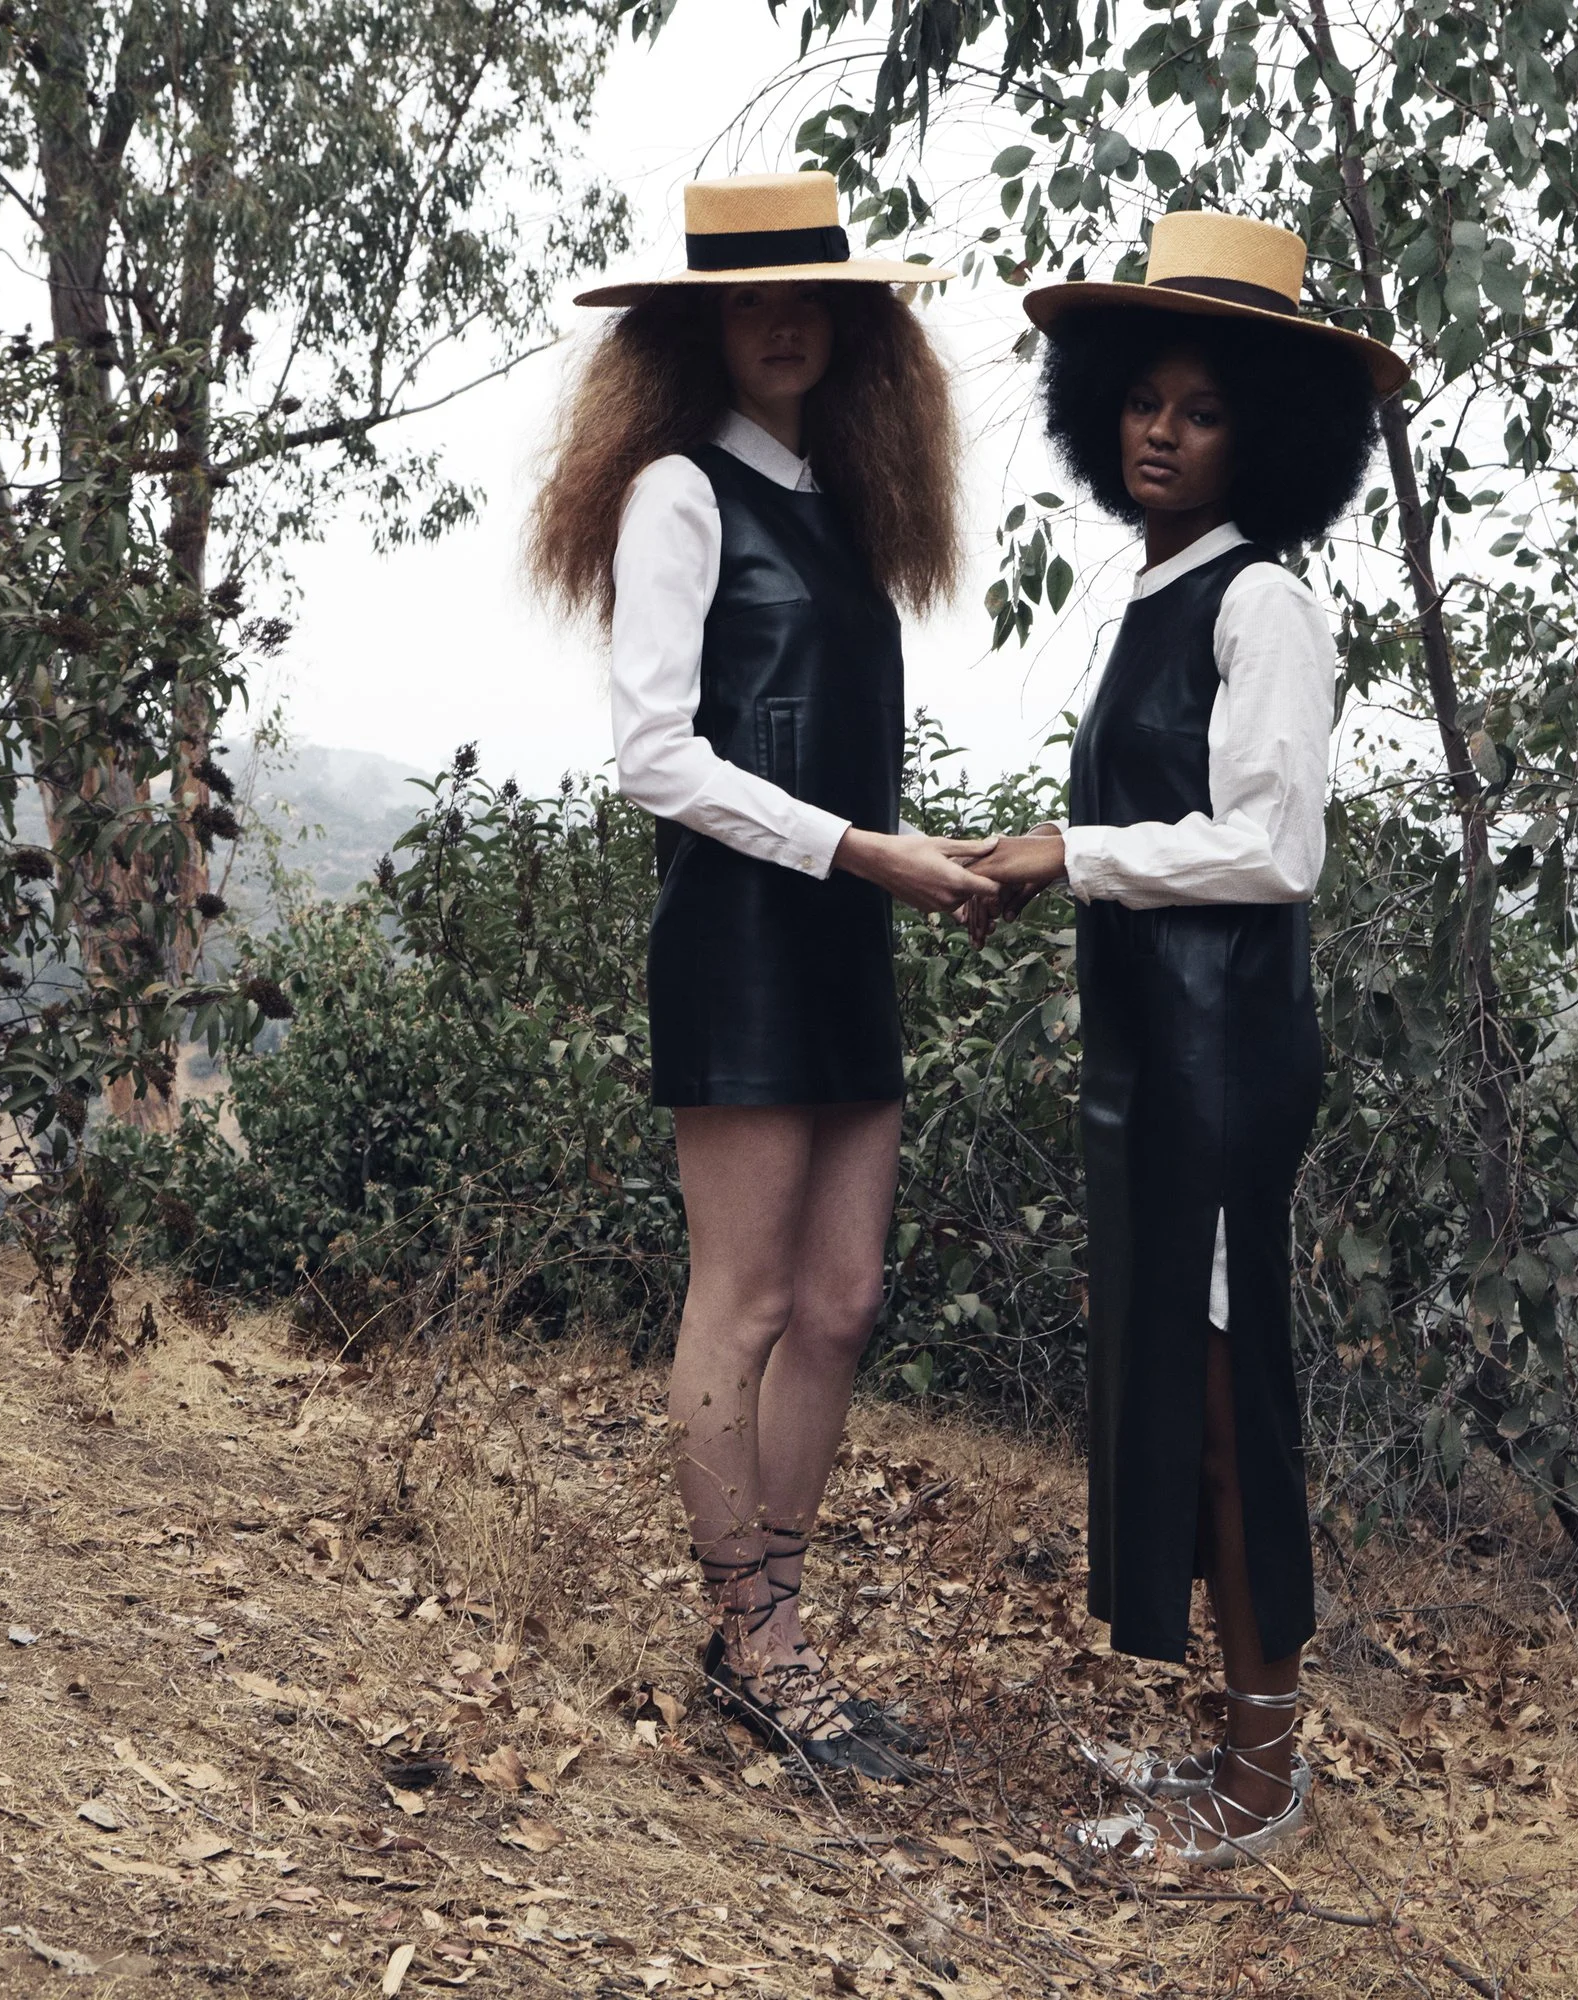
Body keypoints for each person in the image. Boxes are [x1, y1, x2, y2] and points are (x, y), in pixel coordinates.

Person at [529, 171, 994, 1780]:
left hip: (845, 926)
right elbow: (657, 756)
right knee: (743, 1300)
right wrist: (864, 852)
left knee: (845, 1298)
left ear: (855, 322)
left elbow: (828, 743)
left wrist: (928, 856)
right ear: (702, 324)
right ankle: (757, 1642)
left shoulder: (839, 504)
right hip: (740, 937)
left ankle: (771, 1621)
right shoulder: (679, 492)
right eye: (750, 298)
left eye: (813, 296)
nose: (785, 321)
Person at [968, 210, 1400, 1863]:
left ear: (1267, 438)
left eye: (1203, 407)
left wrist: (1061, 855)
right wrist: (1035, 867)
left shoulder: (1264, 605)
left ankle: (1268, 1768)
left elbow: (1272, 849)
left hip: (1228, 1058)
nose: (1160, 429)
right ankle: (1228, 1737)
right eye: (1142, 398)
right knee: (1179, 1372)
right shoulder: (1165, 592)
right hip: (1159, 1049)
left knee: (1230, 1394)